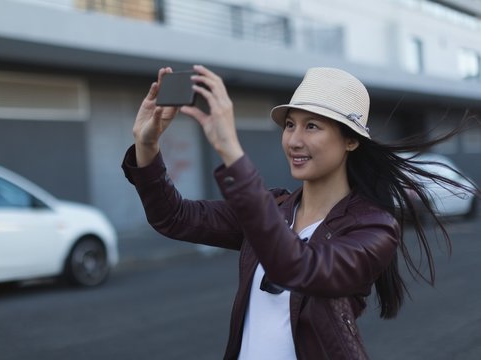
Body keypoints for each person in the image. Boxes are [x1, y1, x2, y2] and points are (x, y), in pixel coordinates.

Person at [122, 65, 478, 359]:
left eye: (312, 126)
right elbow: (174, 217)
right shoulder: (272, 208)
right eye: (290, 124)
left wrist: (232, 152)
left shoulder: (373, 228)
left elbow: (298, 267)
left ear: (350, 140)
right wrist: (147, 144)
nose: (293, 140)